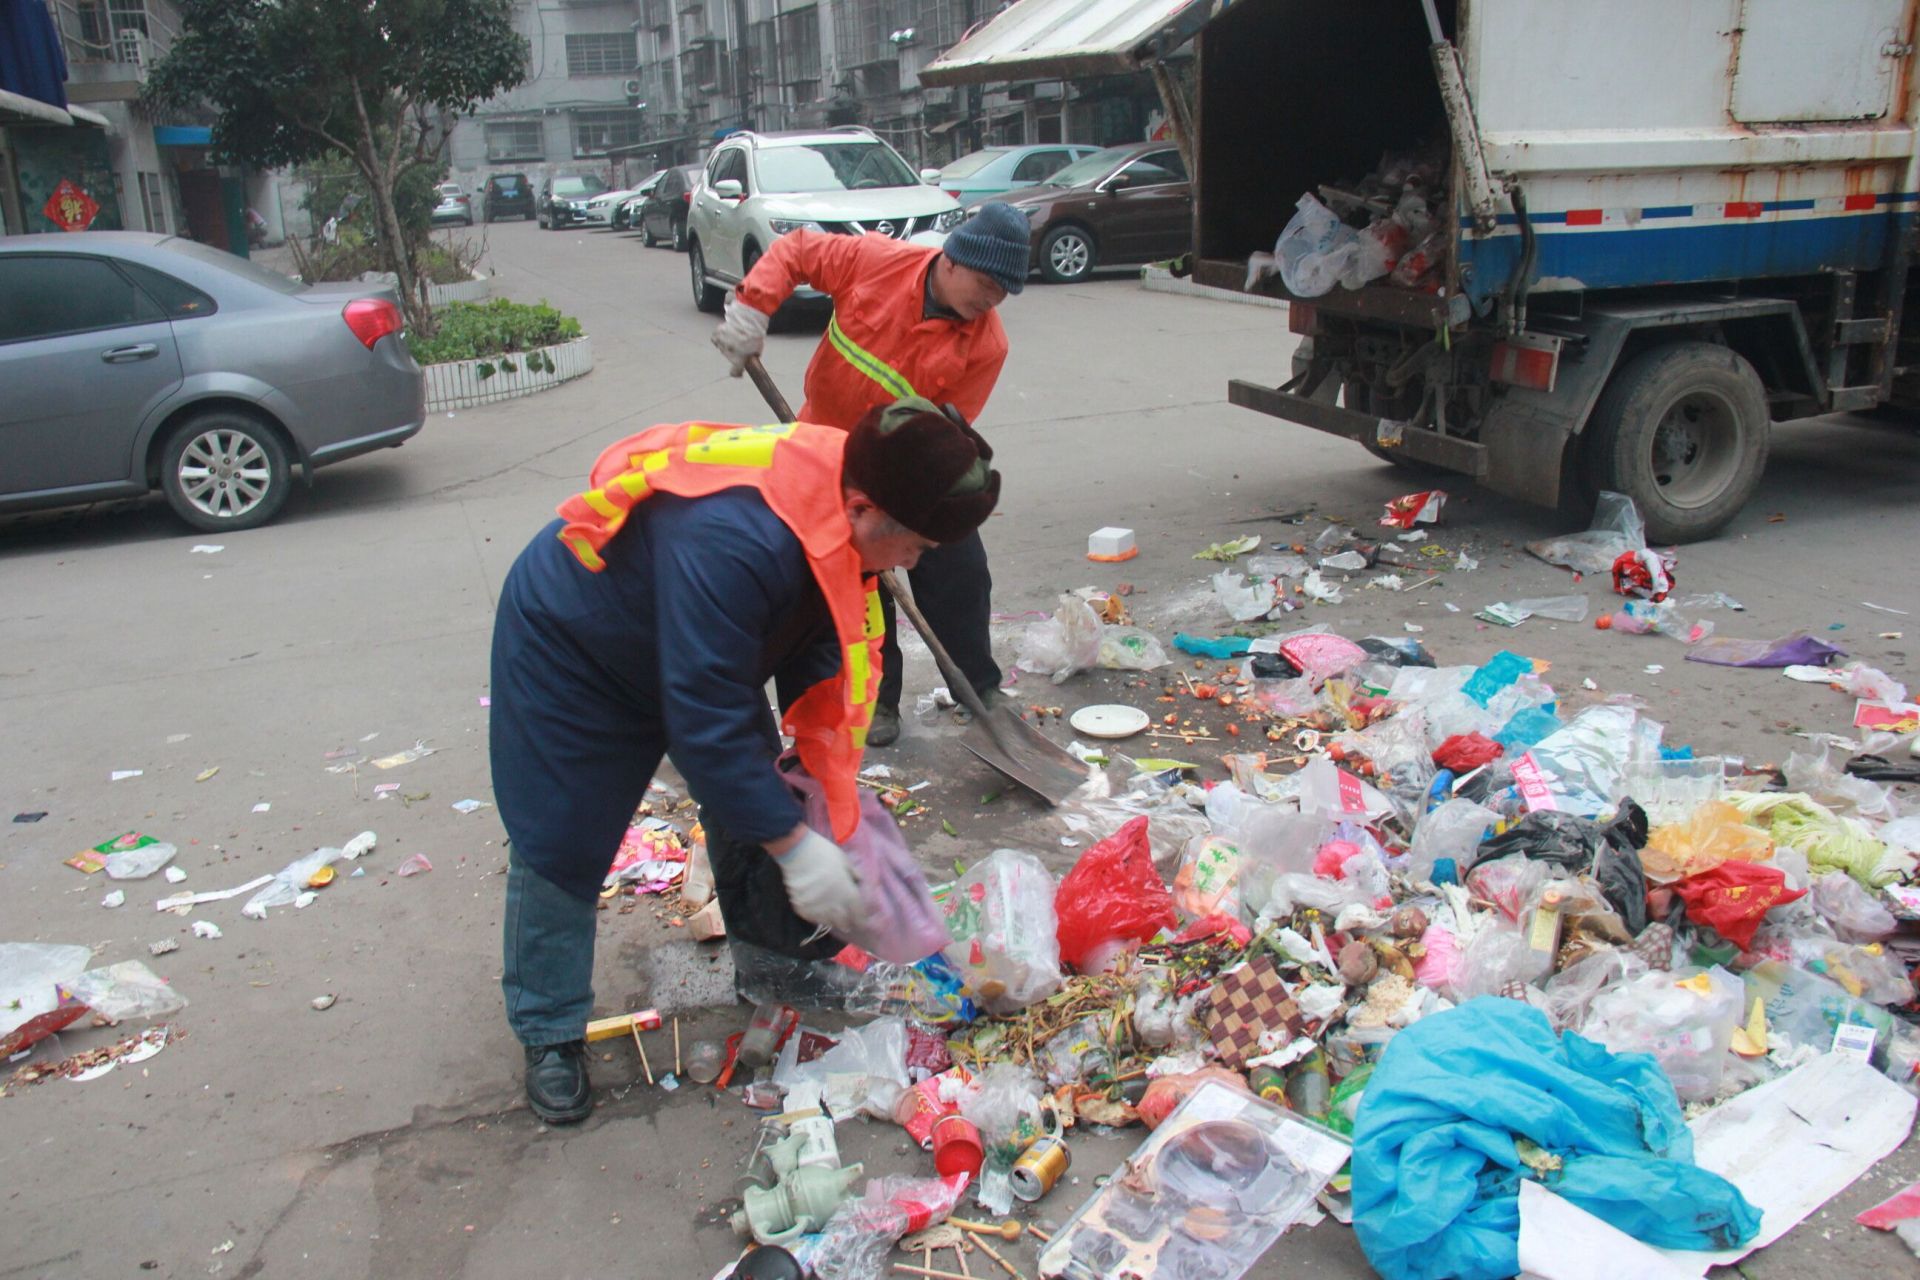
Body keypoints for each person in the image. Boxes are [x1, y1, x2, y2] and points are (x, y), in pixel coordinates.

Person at [489, 398, 1000, 1123]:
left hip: (691, 640)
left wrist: (821, 780)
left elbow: (820, 622)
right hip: (582, 646)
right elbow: (704, 722)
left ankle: (772, 963)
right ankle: (549, 1028)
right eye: (915, 546)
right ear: (861, 510)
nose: (915, 563)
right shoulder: (733, 539)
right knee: (561, 838)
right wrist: (796, 848)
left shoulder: (848, 480)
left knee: (767, 789)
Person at [710, 202, 1031, 746]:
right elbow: (796, 251)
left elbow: (947, 432)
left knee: (959, 569)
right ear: (951, 261)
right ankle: (880, 700)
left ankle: (978, 687)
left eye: (1002, 293)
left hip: (910, 466)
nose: (990, 301)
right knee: (858, 580)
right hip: (826, 455)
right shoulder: (874, 262)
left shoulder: (987, 344)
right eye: (985, 283)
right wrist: (751, 310)